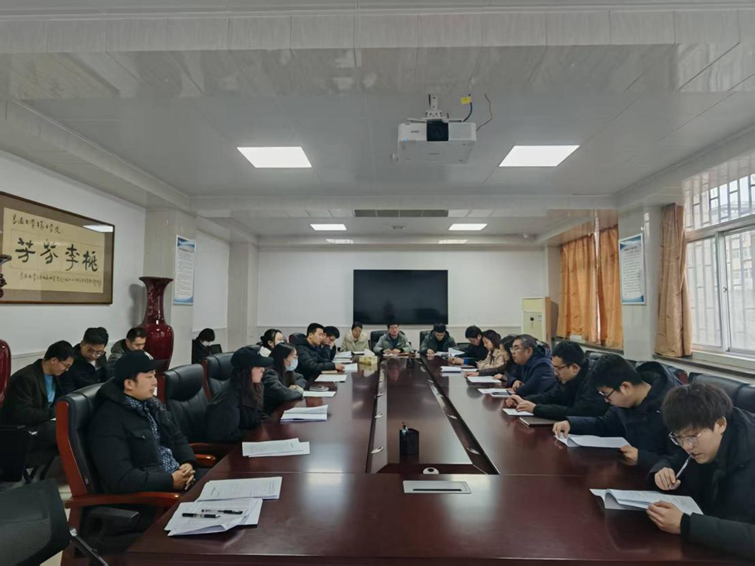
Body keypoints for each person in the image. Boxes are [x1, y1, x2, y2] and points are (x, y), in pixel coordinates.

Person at [648, 383, 755, 559]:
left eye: (692, 437)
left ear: (720, 424)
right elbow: (674, 459)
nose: (687, 447)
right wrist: (662, 470)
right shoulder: (703, 440)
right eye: (679, 438)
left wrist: (686, 524)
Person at [88, 351, 198, 493]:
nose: (155, 382)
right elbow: (120, 478)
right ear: (129, 383)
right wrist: (170, 481)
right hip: (156, 494)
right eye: (149, 377)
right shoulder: (108, 420)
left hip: (179, 479)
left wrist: (187, 463)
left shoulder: (152, 405)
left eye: (154, 375)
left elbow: (177, 438)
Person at [553, 354, 682, 470]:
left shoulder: (672, 407)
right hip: (633, 471)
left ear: (625, 387)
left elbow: (682, 458)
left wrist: (643, 458)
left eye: (606, 394)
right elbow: (604, 425)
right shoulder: (625, 403)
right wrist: (572, 424)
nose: (606, 400)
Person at [1, 340, 75, 455]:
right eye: (66, 366)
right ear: (54, 360)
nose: (66, 370)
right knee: (67, 431)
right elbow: (22, 414)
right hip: (22, 430)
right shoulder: (25, 378)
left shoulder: (56, 376)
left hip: (42, 423)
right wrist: (54, 412)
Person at [504, 341, 607, 420]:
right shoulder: (566, 379)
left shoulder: (593, 381)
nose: (555, 373)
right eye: (553, 368)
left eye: (558, 368)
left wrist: (536, 409)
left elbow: (577, 412)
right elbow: (550, 396)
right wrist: (523, 401)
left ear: (574, 368)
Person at [205, 347, 271, 442]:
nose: (263, 370)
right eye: (258, 367)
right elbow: (227, 435)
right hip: (231, 447)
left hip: (249, 440)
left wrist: (270, 424)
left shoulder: (252, 387)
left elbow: (256, 416)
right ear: (246, 371)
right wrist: (259, 435)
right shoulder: (229, 397)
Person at [61, 327, 109, 395]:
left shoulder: (101, 357)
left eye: (98, 352)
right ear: (82, 344)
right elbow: (68, 393)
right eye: (89, 350)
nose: (93, 355)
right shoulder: (70, 362)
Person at [262, 343, 306, 413]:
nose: (296, 359)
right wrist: (298, 391)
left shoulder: (288, 371)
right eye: (294, 356)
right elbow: (282, 394)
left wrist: (297, 386)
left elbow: (301, 379)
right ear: (283, 358)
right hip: (272, 412)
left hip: (284, 408)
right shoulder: (269, 373)